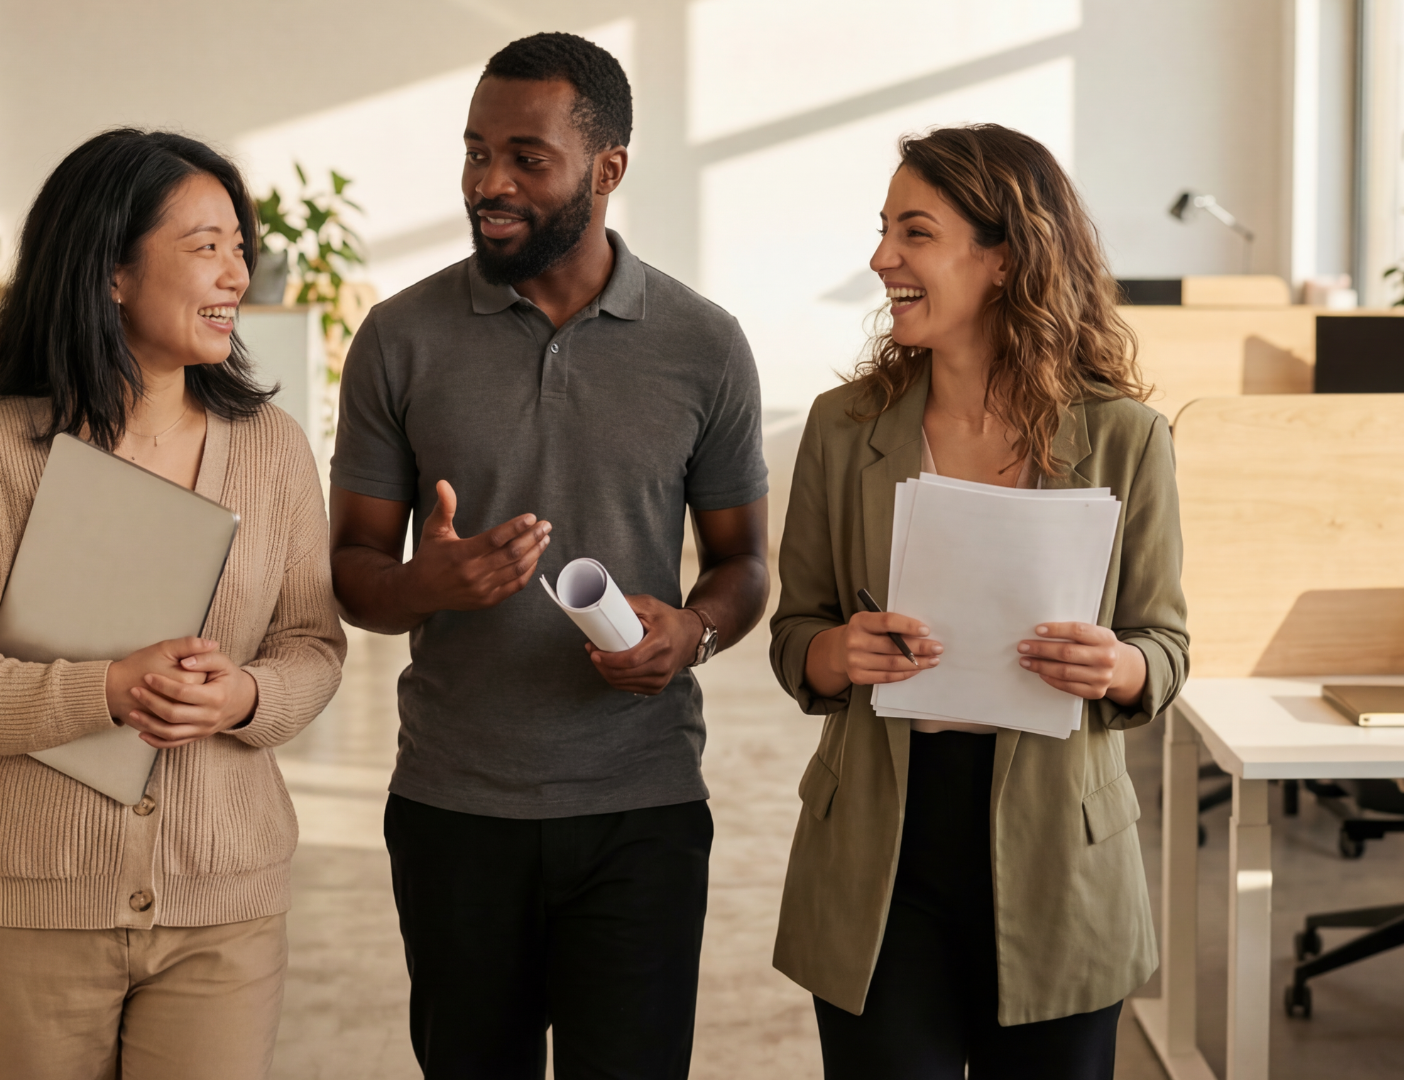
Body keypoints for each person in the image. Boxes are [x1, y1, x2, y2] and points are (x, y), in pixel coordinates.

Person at [329, 32, 770, 1080]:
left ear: (608, 169)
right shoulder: (399, 338)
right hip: (454, 806)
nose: (490, 183)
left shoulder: (703, 346)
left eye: (528, 158)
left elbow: (745, 565)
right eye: (477, 151)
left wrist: (693, 632)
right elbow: (352, 567)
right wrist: (422, 585)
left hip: (643, 806)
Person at [0, 129, 347, 1080]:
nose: (236, 272)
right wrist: (102, 690)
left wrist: (246, 697)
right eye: (204, 244)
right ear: (111, 273)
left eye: (239, 245)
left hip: (224, 904)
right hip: (29, 905)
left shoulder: (274, 449)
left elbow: (313, 643)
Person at [767, 124, 1188, 1079]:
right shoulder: (844, 429)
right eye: (884, 230)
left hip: (1058, 851)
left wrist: (1117, 666)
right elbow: (796, 631)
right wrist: (841, 652)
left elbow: (1164, 644)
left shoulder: (1127, 439)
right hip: (881, 844)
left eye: (914, 233)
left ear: (1003, 257)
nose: (882, 259)